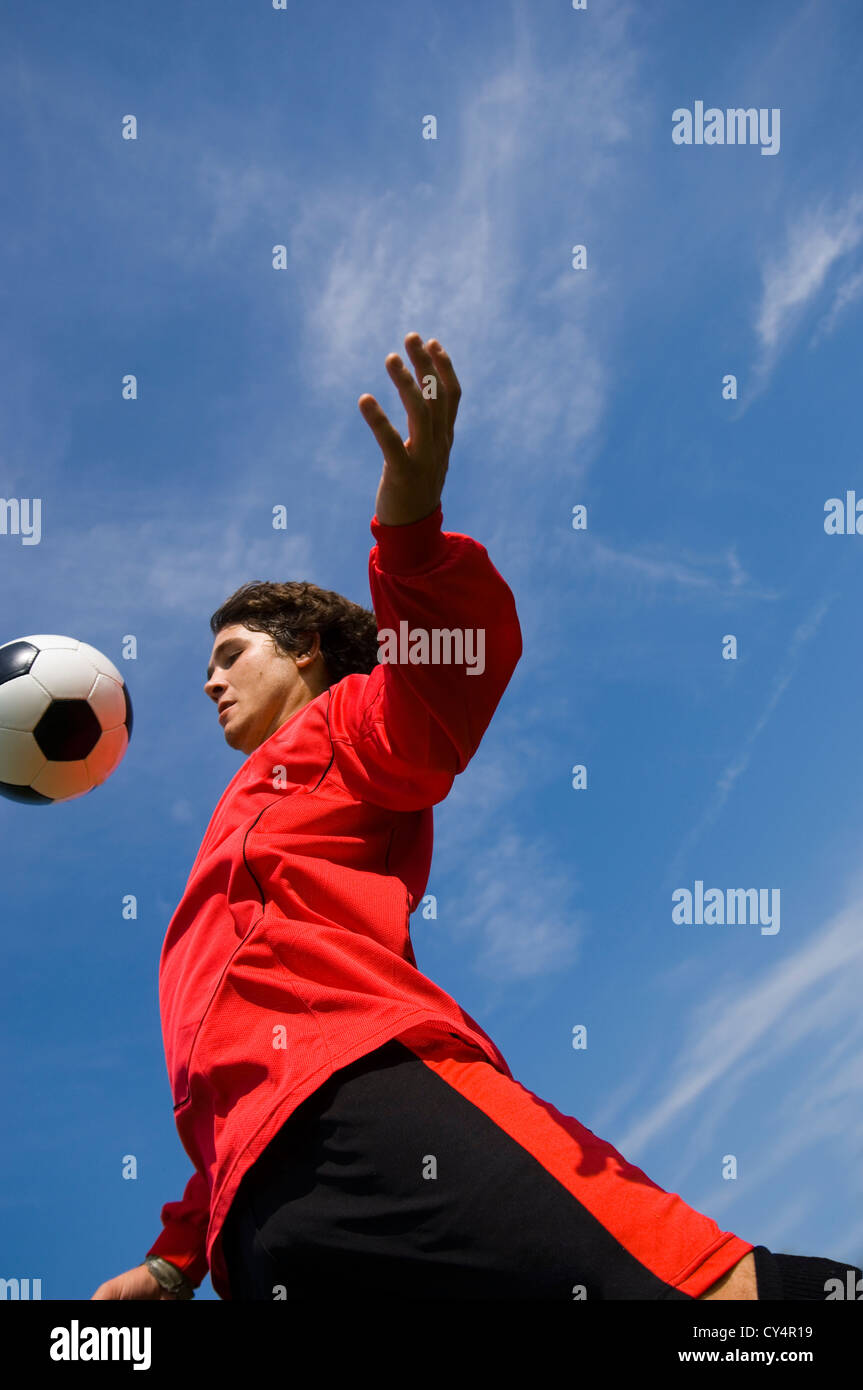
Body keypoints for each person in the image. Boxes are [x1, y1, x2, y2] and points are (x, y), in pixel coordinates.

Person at [92, 334, 861, 1303]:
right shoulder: (232, 829)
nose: (207, 679)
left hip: (368, 1100)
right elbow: (233, 1079)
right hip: (260, 1217)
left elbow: (439, 693)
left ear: (307, 652)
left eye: (231, 651)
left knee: (699, 1303)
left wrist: (408, 534)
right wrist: (178, 1254)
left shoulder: (350, 722)